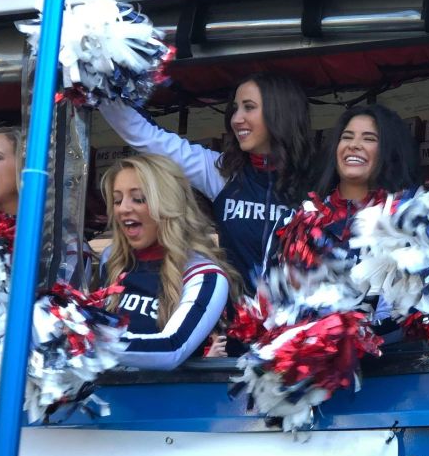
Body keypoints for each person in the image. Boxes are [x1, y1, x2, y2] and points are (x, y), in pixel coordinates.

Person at [97, 73, 313, 292]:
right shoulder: (222, 171)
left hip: (305, 324)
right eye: (235, 109)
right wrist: (96, 77)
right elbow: (148, 137)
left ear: (280, 112)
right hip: (239, 321)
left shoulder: (318, 180)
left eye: (249, 107)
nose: (236, 119)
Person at [99, 155, 243, 369]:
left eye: (138, 198)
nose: (122, 209)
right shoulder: (112, 261)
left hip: (176, 401)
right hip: (108, 400)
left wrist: (86, 343)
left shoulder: (205, 275)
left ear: (168, 206)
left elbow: (172, 348)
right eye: (117, 200)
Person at [311, 104, 421, 204]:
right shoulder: (309, 217)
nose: (354, 144)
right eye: (347, 137)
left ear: (391, 152)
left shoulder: (409, 212)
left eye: (369, 139)